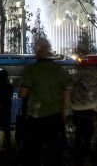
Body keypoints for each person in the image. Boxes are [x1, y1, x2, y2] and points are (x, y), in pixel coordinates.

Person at [18, 37, 70, 166]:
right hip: (55, 118)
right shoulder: (59, 70)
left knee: (32, 155)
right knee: (54, 156)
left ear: (36, 51)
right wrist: (63, 116)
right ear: (49, 51)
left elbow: (23, 94)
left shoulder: (31, 70)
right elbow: (66, 95)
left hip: (36, 119)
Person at [0, 69, 13, 152]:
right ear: (7, 77)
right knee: (7, 131)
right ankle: (8, 147)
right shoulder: (10, 87)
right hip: (6, 111)